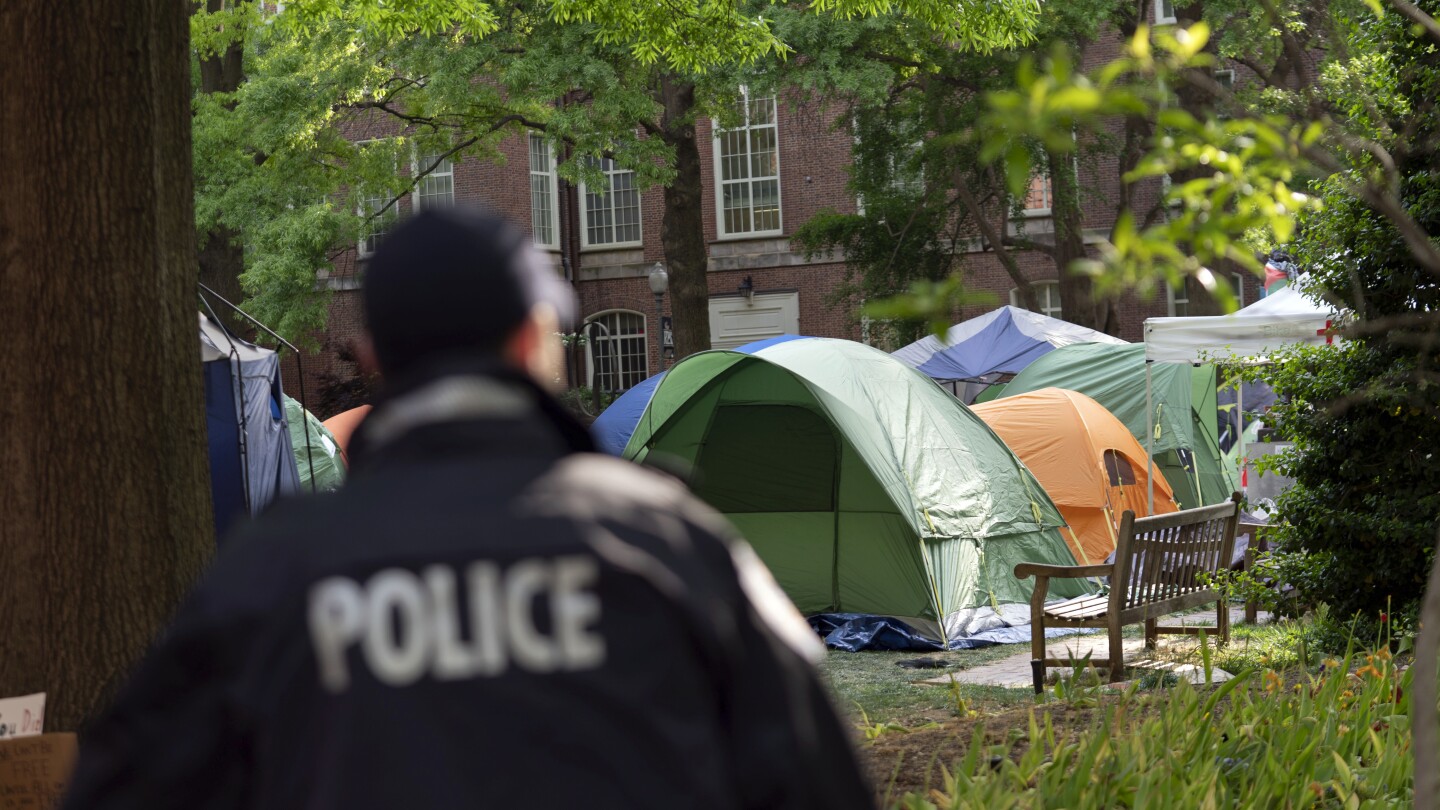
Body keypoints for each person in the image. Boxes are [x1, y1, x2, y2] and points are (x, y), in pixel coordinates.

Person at [63, 208, 873, 810]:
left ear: (375, 353)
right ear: (531, 338)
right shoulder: (668, 543)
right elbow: (819, 780)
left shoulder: (273, 573)